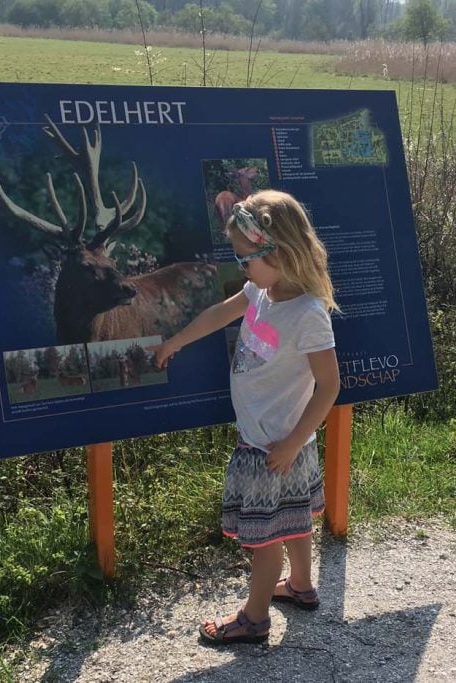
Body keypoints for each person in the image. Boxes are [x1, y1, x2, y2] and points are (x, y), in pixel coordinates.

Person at [153, 190, 340, 645]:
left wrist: (294, 441)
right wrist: (177, 340)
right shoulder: (260, 291)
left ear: (280, 252)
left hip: (272, 446)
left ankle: (254, 618)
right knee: (294, 518)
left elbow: (329, 385)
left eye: (246, 259)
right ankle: (300, 585)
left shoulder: (309, 314)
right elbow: (221, 313)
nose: (242, 268)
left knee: (264, 540)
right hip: (284, 443)